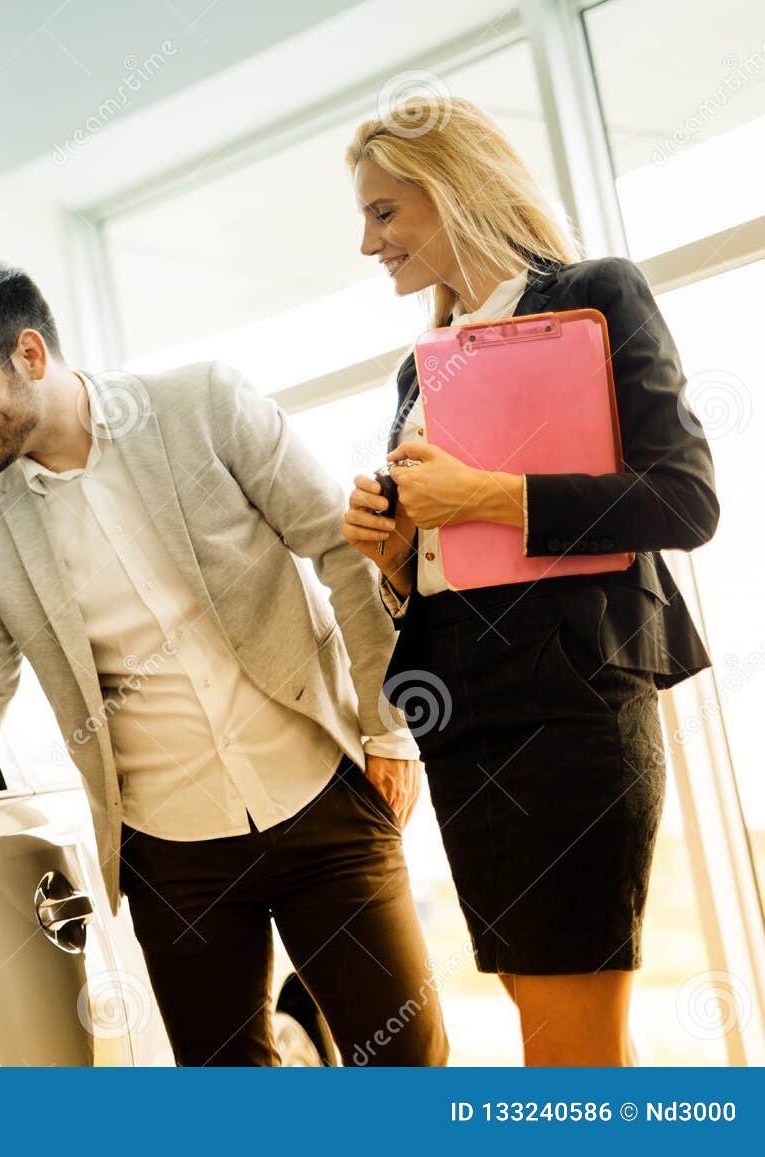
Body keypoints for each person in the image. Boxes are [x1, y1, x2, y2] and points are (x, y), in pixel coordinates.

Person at [0, 260, 448, 1066]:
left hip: (322, 794)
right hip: (171, 858)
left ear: (31, 355)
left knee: (408, 1067)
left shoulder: (204, 408)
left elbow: (340, 545)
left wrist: (388, 726)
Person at [341, 97, 719, 1066]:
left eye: (385, 211)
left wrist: (489, 492)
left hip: (572, 711)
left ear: (454, 186)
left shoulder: (595, 296)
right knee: (555, 1029)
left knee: (567, 1044)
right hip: (466, 722)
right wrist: (392, 556)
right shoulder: (415, 369)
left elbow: (682, 501)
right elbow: (443, 566)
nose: (367, 240)